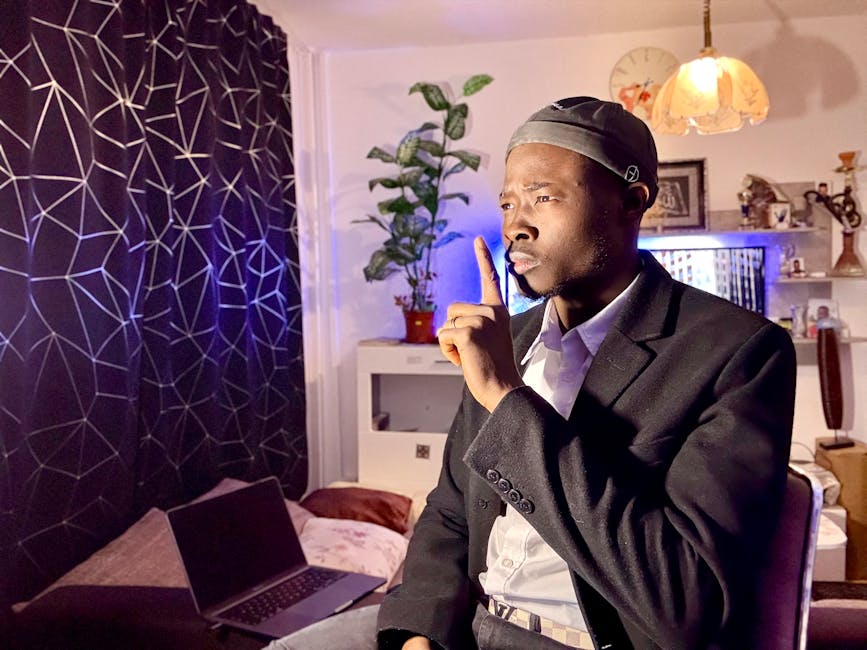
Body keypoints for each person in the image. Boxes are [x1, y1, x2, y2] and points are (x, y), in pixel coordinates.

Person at [266, 97, 796, 650]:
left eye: (544, 197)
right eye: (508, 203)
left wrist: (506, 396)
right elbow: (450, 512)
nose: (516, 224)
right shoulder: (509, 341)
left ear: (631, 201)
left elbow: (684, 604)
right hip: (466, 629)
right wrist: (420, 635)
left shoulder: (740, 353)